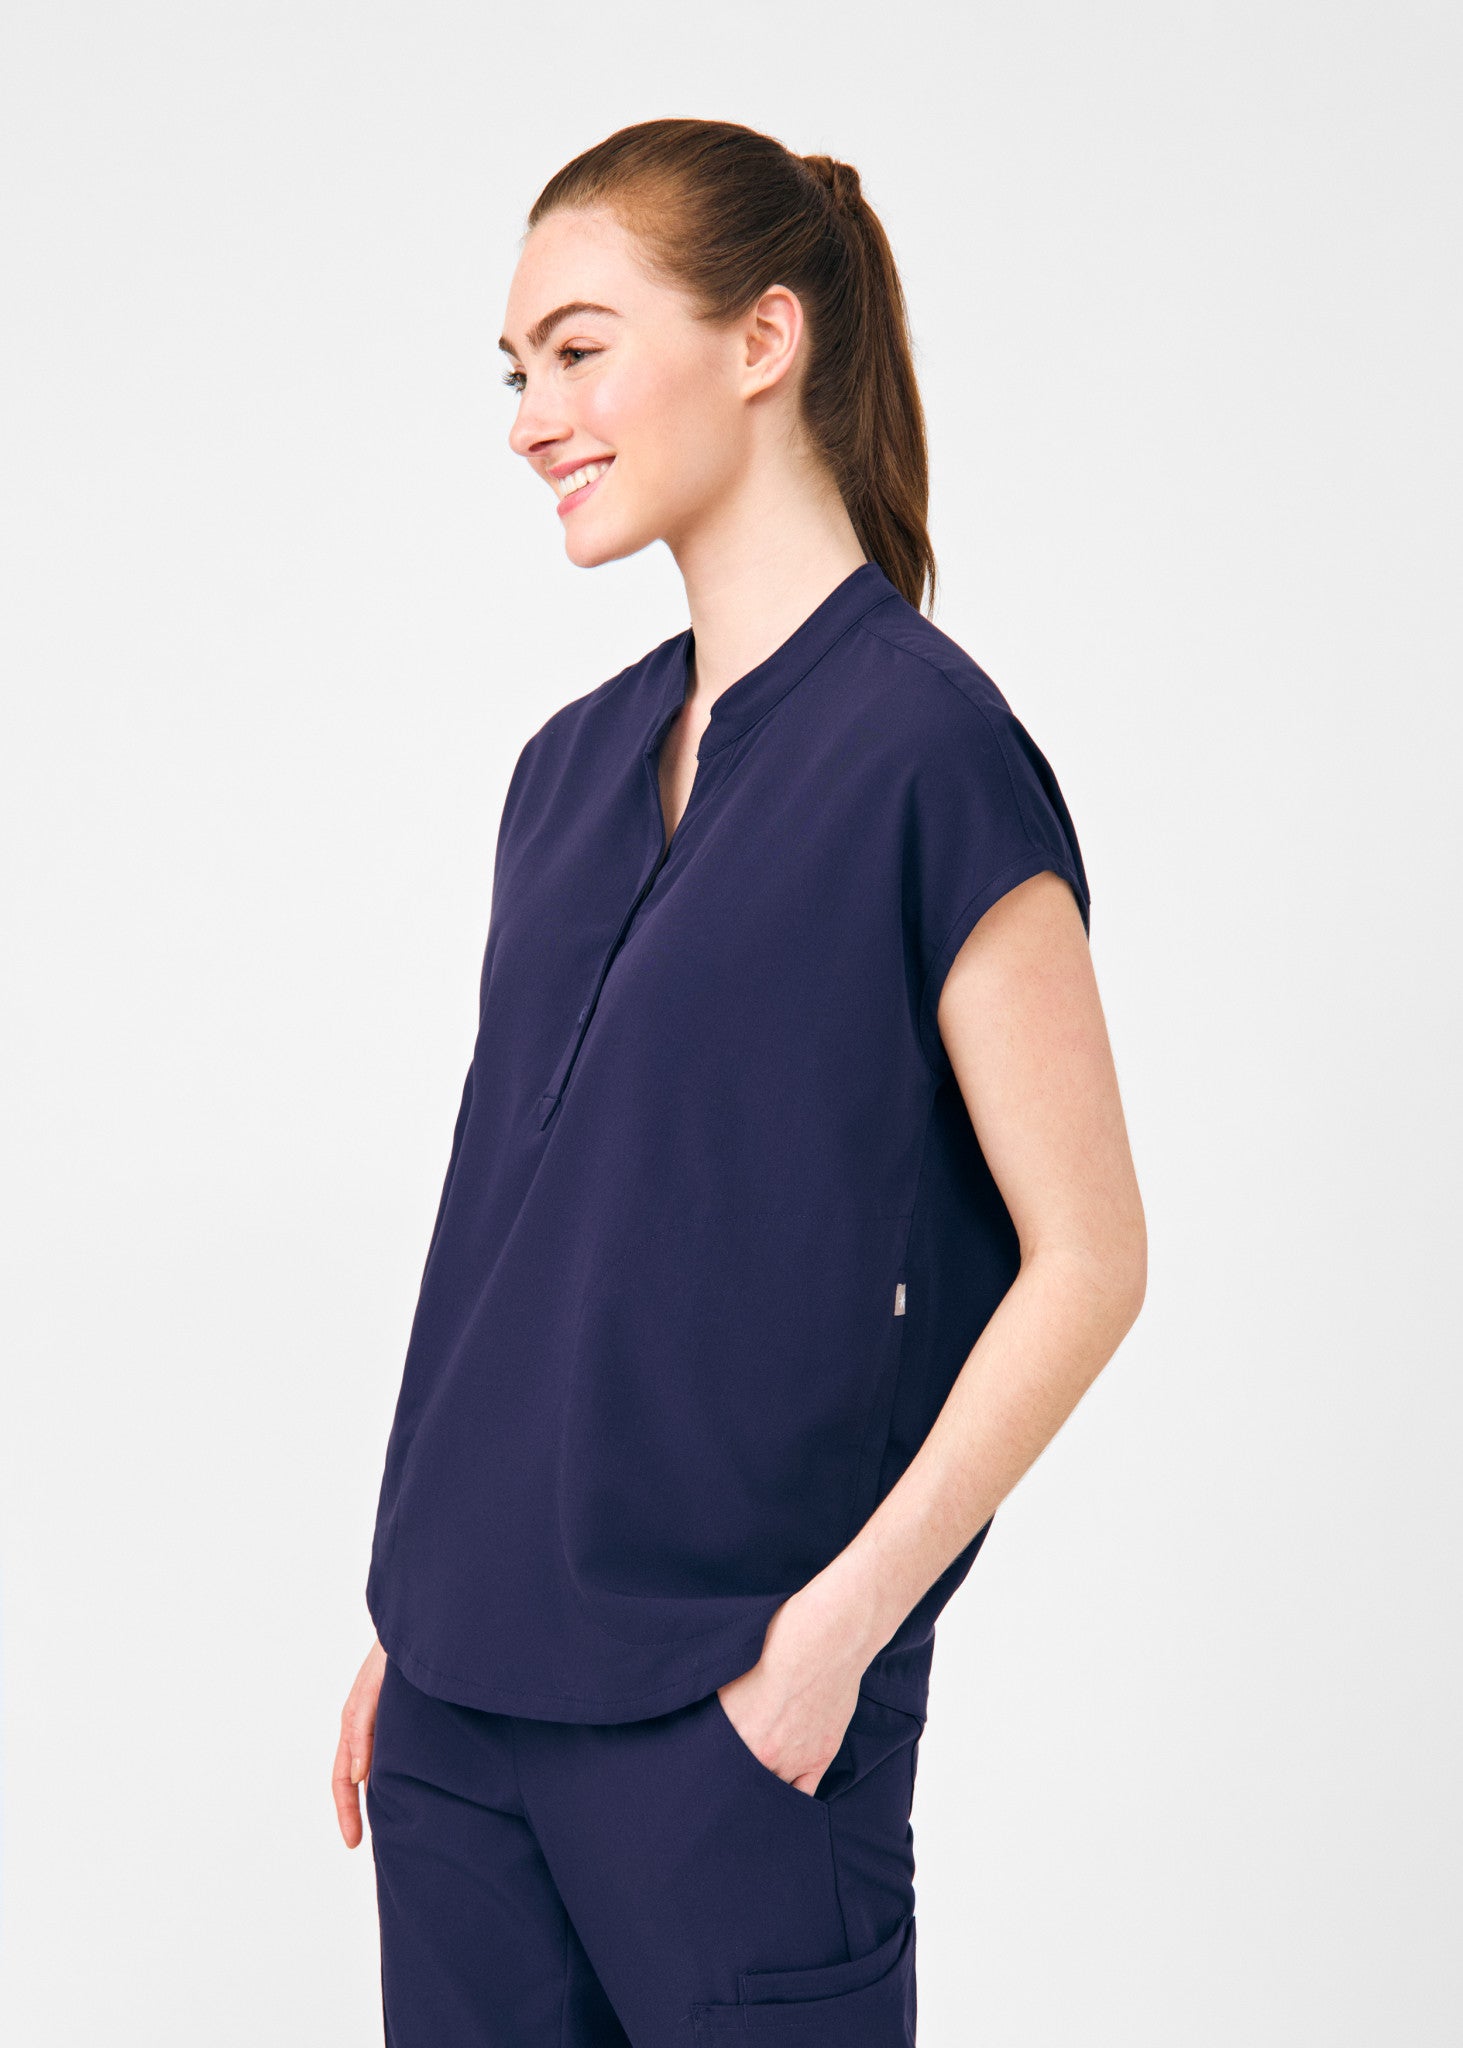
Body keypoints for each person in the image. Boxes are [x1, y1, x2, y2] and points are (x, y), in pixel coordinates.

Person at [331, 117, 1146, 2047]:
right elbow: (512, 1230)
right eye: (515, 371)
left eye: (578, 350)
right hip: (456, 1716)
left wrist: (840, 1631)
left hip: (733, 1727)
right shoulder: (564, 771)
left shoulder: (929, 758)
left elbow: (1092, 1258)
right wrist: (412, 1620)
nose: (532, 417)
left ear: (764, 338)